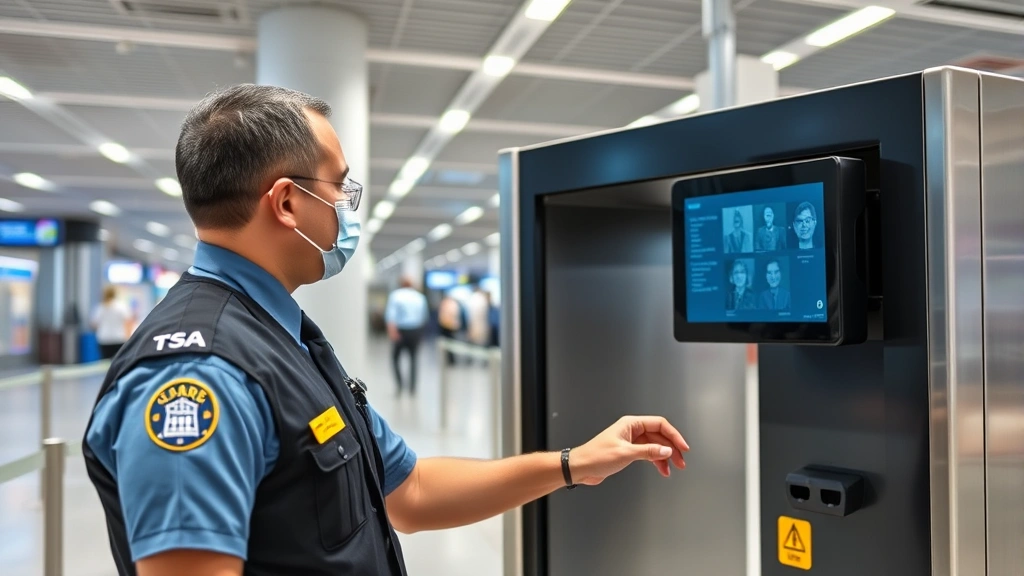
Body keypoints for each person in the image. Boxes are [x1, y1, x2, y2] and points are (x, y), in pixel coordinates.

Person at [81, 84, 689, 576]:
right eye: (339, 186)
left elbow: (413, 491)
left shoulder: (284, 338)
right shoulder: (198, 375)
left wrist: (572, 463)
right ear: (286, 203)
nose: (348, 205)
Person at [385, 276, 428, 396]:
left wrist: (392, 332)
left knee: (395, 359)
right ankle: (412, 388)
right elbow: (424, 317)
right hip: (415, 330)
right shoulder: (420, 297)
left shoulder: (396, 295)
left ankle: (400, 386)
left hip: (401, 330)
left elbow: (391, 316)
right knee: (414, 359)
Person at [91, 285, 132, 359]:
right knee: (118, 361)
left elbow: (94, 324)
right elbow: (128, 322)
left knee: (105, 362)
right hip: (119, 338)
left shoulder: (100, 307)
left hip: (104, 339)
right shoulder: (121, 306)